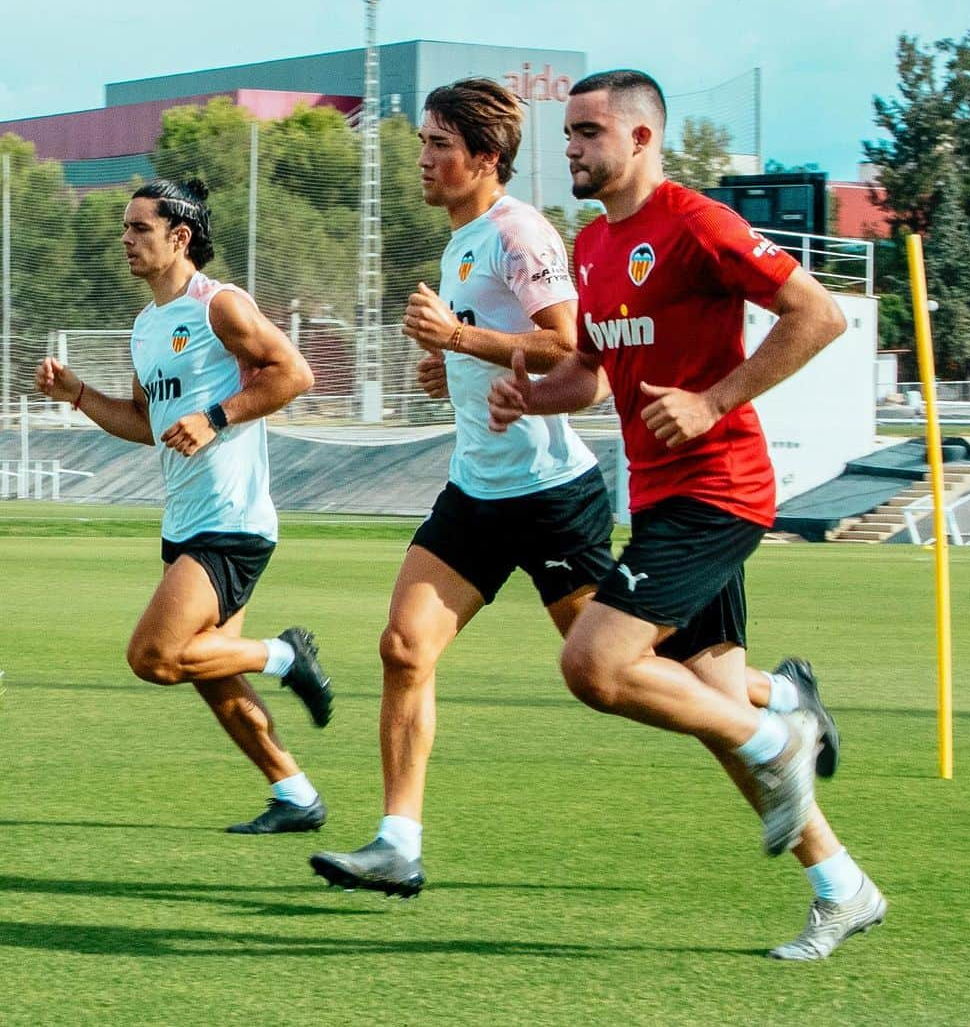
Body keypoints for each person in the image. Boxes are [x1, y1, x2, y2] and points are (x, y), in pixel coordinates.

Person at [309, 78, 838, 902]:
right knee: (405, 647)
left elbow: (558, 345)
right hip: (479, 492)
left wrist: (460, 338)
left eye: (437, 145)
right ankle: (397, 843)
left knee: (646, 672)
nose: (422, 159)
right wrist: (455, 364)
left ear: (484, 158)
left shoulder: (526, 234)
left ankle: (782, 719)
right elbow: (579, 371)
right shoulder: (510, 241)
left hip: (555, 497)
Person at [488, 70, 886, 960]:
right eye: (569, 133)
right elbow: (590, 373)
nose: (572, 148)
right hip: (660, 495)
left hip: (719, 491)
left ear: (639, 138)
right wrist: (530, 396)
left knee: (593, 665)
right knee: (712, 712)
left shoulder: (697, 223)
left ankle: (782, 730)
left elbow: (817, 315)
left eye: (588, 131)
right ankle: (842, 885)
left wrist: (713, 399)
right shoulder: (594, 247)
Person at [34, 178, 334, 835]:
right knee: (210, 669)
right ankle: (294, 792)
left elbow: (295, 374)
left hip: (232, 519)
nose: (126, 239)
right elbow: (146, 423)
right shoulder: (146, 327)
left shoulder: (218, 306)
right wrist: (79, 394)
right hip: (186, 522)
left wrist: (217, 417)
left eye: (140, 228)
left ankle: (286, 656)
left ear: (180, 236)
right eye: (125, 228)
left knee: (153, 656)